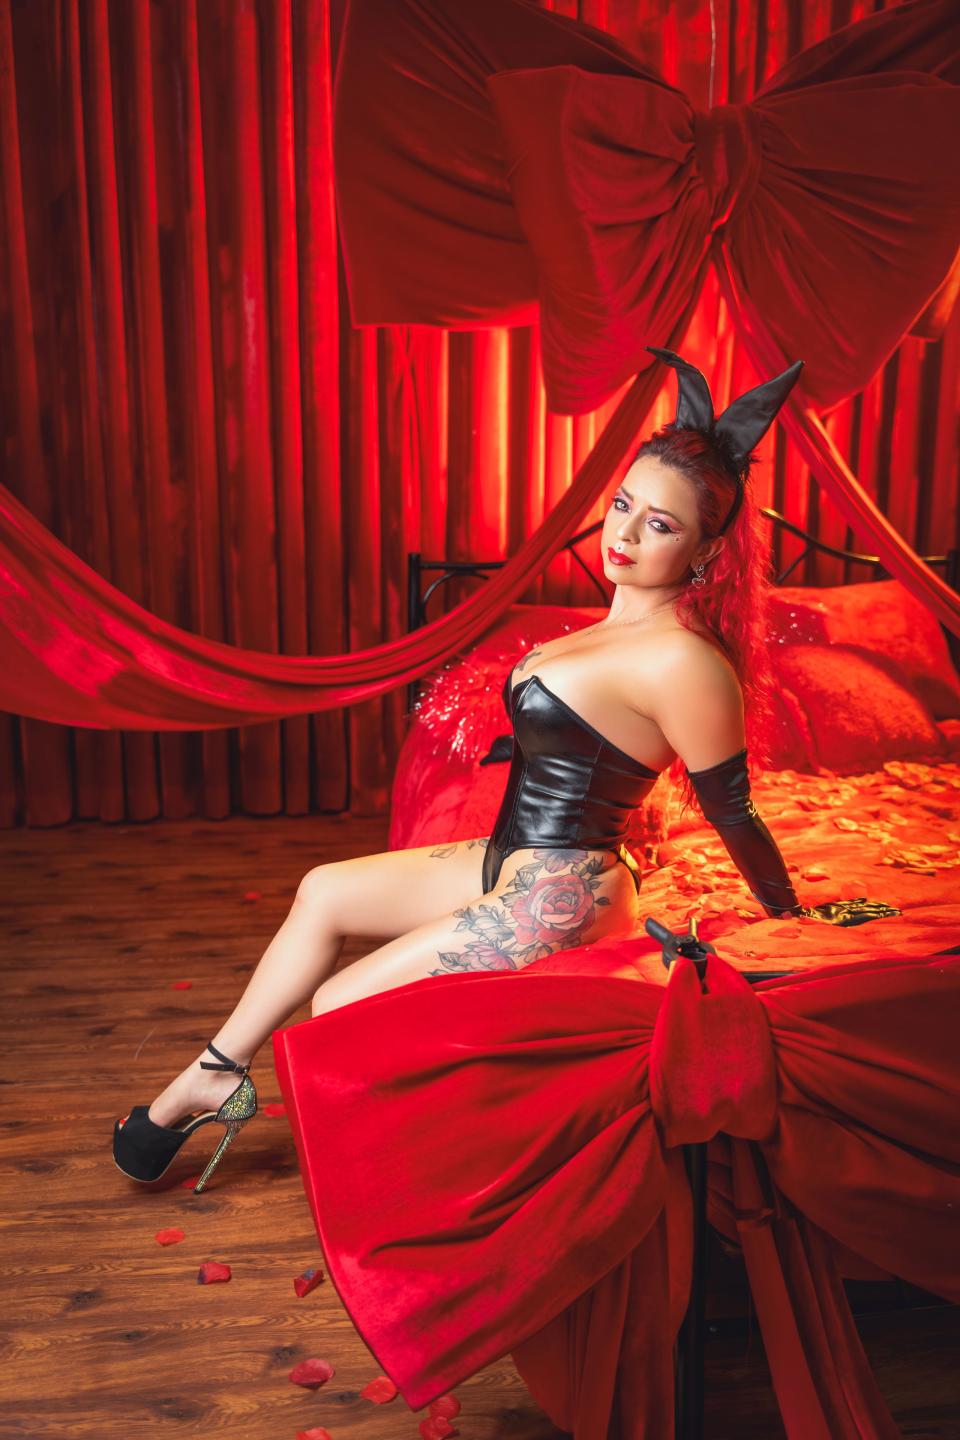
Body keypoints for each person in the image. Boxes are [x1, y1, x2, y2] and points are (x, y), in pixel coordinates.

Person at [112, 347, 882, 1193]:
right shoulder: (608, 629)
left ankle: (422, 1168)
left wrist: (790, 915)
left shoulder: (683, 662)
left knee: (337, 1004)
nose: (624, 535)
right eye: (623, 505)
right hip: (508, 857)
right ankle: (214, 1074)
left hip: (565, 889)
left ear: (705, 551)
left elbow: (733, 810)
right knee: (323, 890)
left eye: (660, 525)